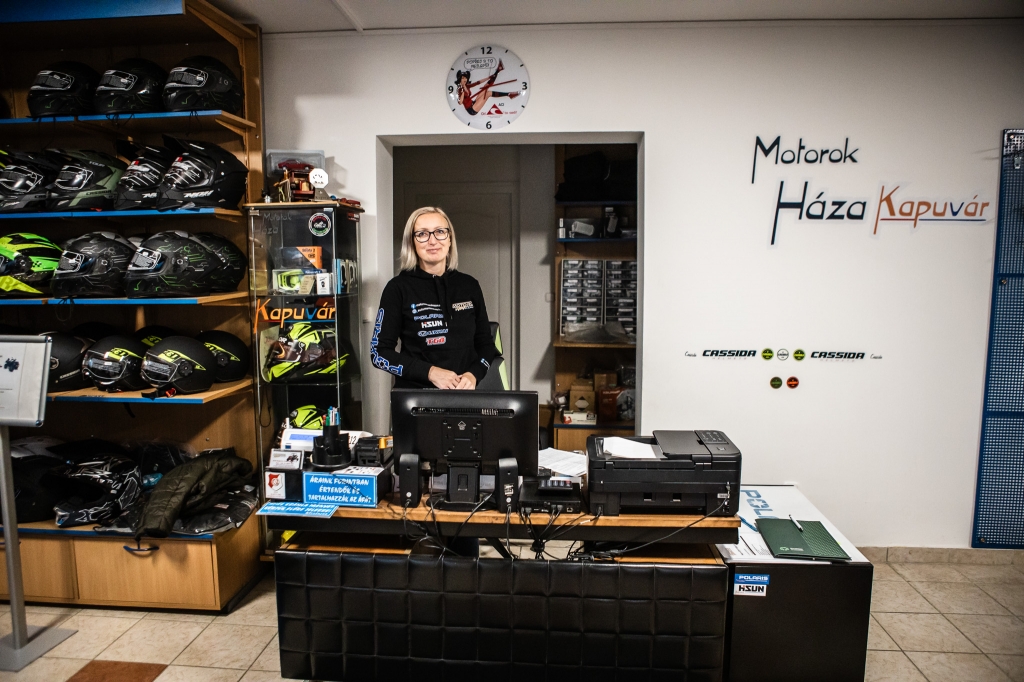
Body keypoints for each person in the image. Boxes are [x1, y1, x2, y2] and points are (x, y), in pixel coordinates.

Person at [371, 206, 498, 389]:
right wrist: (430, 372)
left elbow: (486, 345)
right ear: (412, 242)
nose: (432, 241)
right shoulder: (397, 288)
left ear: (450, 239)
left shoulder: (469, 285)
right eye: (422, 234)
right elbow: (379, 353)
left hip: (464, 394)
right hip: (416, 397)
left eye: (440, 232)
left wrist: (474, 374)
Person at [455, 60, 520, 116]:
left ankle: (498, 71)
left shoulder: (467, 86)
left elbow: (478, 82)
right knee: (488, 93)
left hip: (473, 103)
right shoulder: (460, 89)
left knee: (485, 87)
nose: (465, 79)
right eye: (463, 78)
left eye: (465, 78)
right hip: (471, 109)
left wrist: (488, 77)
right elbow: (460, 102)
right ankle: (508, 94)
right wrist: (462, 93)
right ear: (459, 79)